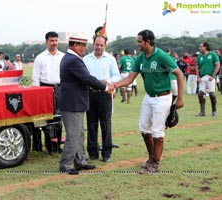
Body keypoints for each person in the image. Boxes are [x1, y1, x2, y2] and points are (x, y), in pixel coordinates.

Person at [114, 29, 184, 174]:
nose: (137, 44)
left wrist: (180, 98)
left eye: (139, 41)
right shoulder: (140, 57)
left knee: (158, 131)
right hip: (149, 97)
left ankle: (154, 163)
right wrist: (114, 85)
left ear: (148, 42)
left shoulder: (161, 56)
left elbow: (179, 74)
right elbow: (130, 78)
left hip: (163, 97)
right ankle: (151, 158)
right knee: (144, 128)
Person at [59, 32, 114, 175]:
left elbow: (85, 79)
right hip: (72, 103)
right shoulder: (73, 60)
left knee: (79, 134)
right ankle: (66, 164)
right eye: (83, 45)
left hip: (74, 102)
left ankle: (80, 161)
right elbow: (87, 78)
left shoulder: (71, 58)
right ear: (76, 45)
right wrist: (105, 87)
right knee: (73, 134)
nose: (85, 48)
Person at [83, 27, 120, 162]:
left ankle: (106, 153)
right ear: (93, 44)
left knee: (106, 124)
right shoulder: (86, 59)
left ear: (105, 45)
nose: (99, 47)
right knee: (91, 123)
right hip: (90, 94)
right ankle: (92, 152)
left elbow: (117, 76)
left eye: (101, 45)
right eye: (97, 44)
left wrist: (108, 81)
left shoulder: (110, 59)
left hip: (105, 95)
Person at [32, 31, 64, 154]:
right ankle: (49, 146)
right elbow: (36, 77)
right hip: (45, 90)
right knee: (49, 118)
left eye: (56, 40)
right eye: (51, 40)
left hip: (61, 89)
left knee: (59, 118)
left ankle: (57, 145)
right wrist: (37, 94)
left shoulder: (62, 56)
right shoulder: (40, 58)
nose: (54, 43)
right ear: (46, 42)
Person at [195, 42, 220, 116]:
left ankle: (214, 110)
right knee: (200, 94)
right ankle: (202, 112)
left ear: (205, 47)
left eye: (201, 46)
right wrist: (198, 77)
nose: (200, 48)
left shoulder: (213, 55)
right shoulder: (200, 56)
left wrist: (213, 75)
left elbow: (217, 65)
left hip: (210, 77)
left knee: (212, 94)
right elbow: (197, 67)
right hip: (202, 77)